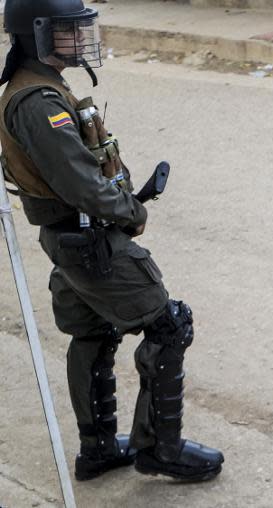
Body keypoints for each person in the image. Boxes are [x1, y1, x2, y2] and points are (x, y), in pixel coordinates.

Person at [0, 0, 224, 481]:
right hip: (90, 242)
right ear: (36, 34)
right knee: (170, 325)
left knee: (93, 335)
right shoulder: (37, 102)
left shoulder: (39, 87)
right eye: (66, 29)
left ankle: (98, 449)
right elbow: (79, 183)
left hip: (72, 241)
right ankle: (161, 449)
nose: (79, 37)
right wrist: (131, 211)